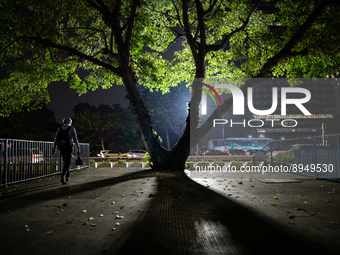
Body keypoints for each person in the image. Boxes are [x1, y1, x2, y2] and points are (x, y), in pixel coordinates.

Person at [52, 118, 80, 185]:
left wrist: (54, 148)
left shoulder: (60, 129)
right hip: (68, 147)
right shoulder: (72, 129)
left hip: (61, 147)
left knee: (65, 161)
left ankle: (67, 176)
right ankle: (63, 176)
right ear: (70, 122)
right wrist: (77, 147)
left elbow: (56, 139)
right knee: (67, 162)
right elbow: (75, 138)